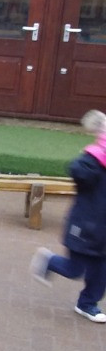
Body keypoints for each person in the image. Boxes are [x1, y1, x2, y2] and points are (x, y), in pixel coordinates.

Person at [31, 110, 106, 323]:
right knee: (75, 270)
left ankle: (87, 304)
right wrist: (93, 167)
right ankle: (48, 261)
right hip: (85, 225)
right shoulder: (93, 159)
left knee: (101, 272)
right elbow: (76, 169)